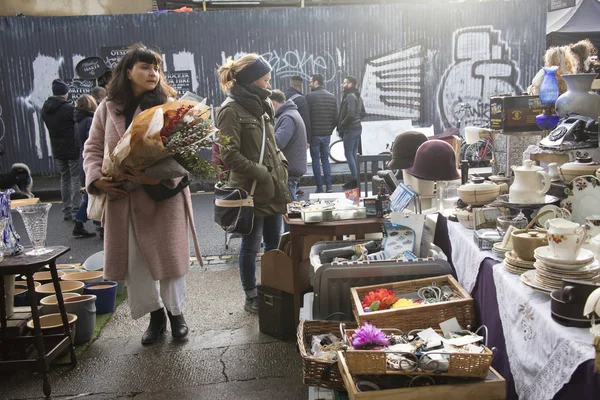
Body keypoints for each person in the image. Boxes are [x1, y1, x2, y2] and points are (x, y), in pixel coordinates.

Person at [83, 44, 202, 344]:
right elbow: (93, 149)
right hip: (124, 199)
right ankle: (155, 316)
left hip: (162, 197)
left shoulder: (168, 104)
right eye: (146, 67)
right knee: (137, 264)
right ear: (128, 71)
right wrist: (96, 180)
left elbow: (185, 154)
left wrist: (154, 175)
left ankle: (177, 315)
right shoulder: (107, 107)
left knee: (169, 263)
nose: (153, 73)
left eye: (157, 68)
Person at [216, 54, 291, 313]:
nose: (269, 85)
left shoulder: (263, 104)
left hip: (273, 185)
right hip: (250, 189)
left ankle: (274, 290)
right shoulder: (230, 110)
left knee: (275, 244)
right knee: (250, 246)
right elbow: (229, 154)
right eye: (265, 80)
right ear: (251, 80)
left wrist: (282, 165)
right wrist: (260, 172)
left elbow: (271, 143)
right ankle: (251, 296)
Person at [41, 79, 82, 221]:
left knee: (64, 178)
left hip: (57, 149)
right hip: (72, 148)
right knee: (75, 178)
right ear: (65, 92)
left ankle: (66, 211)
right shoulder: (69, 109)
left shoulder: (45, 109)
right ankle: (76, 211)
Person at [269, 89, 307, 202]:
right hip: (291, 165)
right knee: (289, 205)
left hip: (289, 168)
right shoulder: (289, 114)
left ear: (273, 104)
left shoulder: (287, 117)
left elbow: (279, 142)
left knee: (289, 206)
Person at [305, 74, 337, 193]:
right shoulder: (332, 97)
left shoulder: (309, 97)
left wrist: (308, 137)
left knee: (315, 160)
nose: (309, 84)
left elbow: (307, 119)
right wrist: (329, 130)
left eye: (311, 82)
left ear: (316, 82)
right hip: (326, 134)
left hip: (314, 135)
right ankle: (329, 187)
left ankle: (319, 187)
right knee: (325, 160)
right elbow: (335, 118)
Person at [72, 94, 97, 238]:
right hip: (90, 160)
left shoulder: (78, 121)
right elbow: (95, 142)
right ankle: (80, 223)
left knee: (90, 194)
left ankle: (79, 223)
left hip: (83, 158)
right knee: (92, 194)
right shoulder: (89, 120)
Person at [338, 75, 366, 190]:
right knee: (353, 154)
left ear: (350, 84)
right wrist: (356, 121)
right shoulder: (358, 96)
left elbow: (350, 113)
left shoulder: (349, 96)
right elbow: (363, 112)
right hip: (357, 129)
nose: (343, 85)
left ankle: (355, 179)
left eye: (344, 83)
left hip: (350, 129)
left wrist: (342, 124)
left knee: (348, 154)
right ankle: (356, 178)